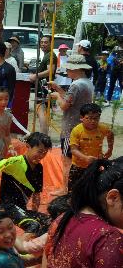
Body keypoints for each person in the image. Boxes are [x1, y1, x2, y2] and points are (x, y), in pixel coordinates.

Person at [47, 54, 95, 196]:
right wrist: (58, 89)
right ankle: (76, 188)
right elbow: (70, 98)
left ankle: (65, 188)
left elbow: (64, 105)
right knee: (78, 159)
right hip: (81, 127)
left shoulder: (76, 85)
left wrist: (56, 97)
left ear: (76, 69)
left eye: (68, 70)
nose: (67, 72)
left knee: (67, 160)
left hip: (71, 128)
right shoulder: (87, 82)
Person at [68, 102, 114, 191]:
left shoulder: (102, 128)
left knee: (93, 190)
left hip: (95, 165)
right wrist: (85, 158)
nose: (93, 121)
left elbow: (110, 135)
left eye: (96, 118)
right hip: (78, 166)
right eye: (89, 118)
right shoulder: (77, 130)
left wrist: (110, 149)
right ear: (81, 118)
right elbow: (73, 150)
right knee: (73, 190)